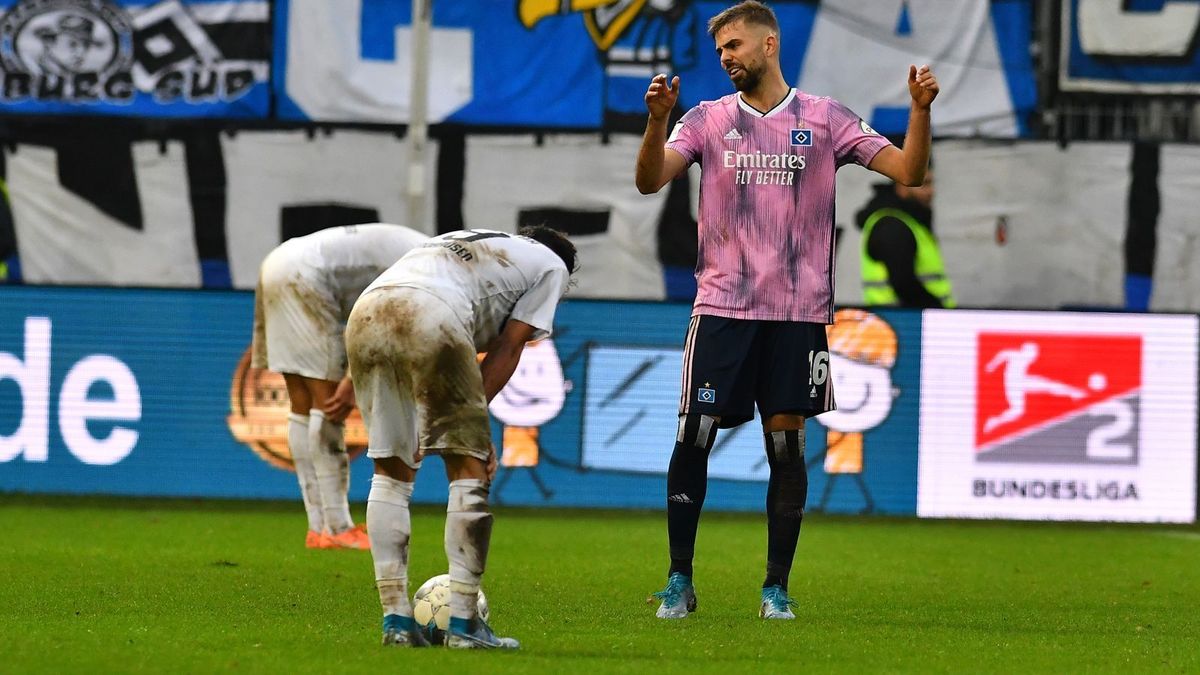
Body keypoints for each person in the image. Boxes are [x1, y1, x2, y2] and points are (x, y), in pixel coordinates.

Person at [634, 0, 938, 620]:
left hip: (797, 313)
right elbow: (648, 180)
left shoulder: (824, 120)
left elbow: (909, 168)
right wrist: (656, 123)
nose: (726, 59)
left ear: (769, 45)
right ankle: (678, 580)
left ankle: (775, 588)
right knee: (693, 432)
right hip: (721, 307)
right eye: (721, 50)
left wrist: (919, 111)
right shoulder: (706, 119)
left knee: (787, 448)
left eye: (735, 46)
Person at [345, 226, 577, 649]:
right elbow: (510, 347)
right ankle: (466, 625)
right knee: (469, 469)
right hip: (432, 313)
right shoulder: (552, 266)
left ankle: (395, 621)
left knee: (391, 473)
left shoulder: (475, 242)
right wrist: (475, 422)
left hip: (368, 310)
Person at [250, 223, 429, 550]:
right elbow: (381, 322)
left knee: (302, 403)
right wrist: (350, 381)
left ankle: (319, 527)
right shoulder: (426, 270)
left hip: (280, 261)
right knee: (327, 404)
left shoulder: (423, 249)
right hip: (305, 275)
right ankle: (337, 527)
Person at [855, 168, 955, 308]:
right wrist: (939, 312)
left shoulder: (911, 222)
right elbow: (904, 284)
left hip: (903, 322)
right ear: (902, 184)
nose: (931, 191)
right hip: (903, 323)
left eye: (932, 183)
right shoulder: (892, 226)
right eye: (924, 184)